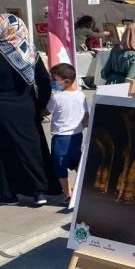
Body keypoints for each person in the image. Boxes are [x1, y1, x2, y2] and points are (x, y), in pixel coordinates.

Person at [0, 13, 61, 205]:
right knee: (31, 149)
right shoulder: (30, 52)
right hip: (27, 108)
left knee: (3, 151)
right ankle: (38, 191)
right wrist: (41, 106)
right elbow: (44, 81)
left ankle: (8, 194)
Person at [43, 63, 89, 208]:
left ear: (66, 81)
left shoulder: (57, 98)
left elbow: (46, 111)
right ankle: (84, 187)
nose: (53, 82)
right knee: (76, 162)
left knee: (60, 164)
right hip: (77, 134)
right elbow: (86, 115)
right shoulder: (81, 95)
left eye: (55, 79)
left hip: (61, 136)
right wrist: (82, 125)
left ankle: (68, 194)